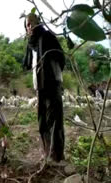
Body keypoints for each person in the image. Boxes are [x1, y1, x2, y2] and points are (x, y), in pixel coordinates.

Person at [23, 13, 65, 163]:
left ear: (37, 22)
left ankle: (56, 156)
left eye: (31, 23)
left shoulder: (48, 36)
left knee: (54, 119)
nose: (29, 26)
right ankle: (46, 152)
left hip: (52, 82)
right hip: (39, 86)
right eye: (27, 24)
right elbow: (28, 65)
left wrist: (52, 73)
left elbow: (61, 57)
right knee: (42, 120)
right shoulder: (31, 43)